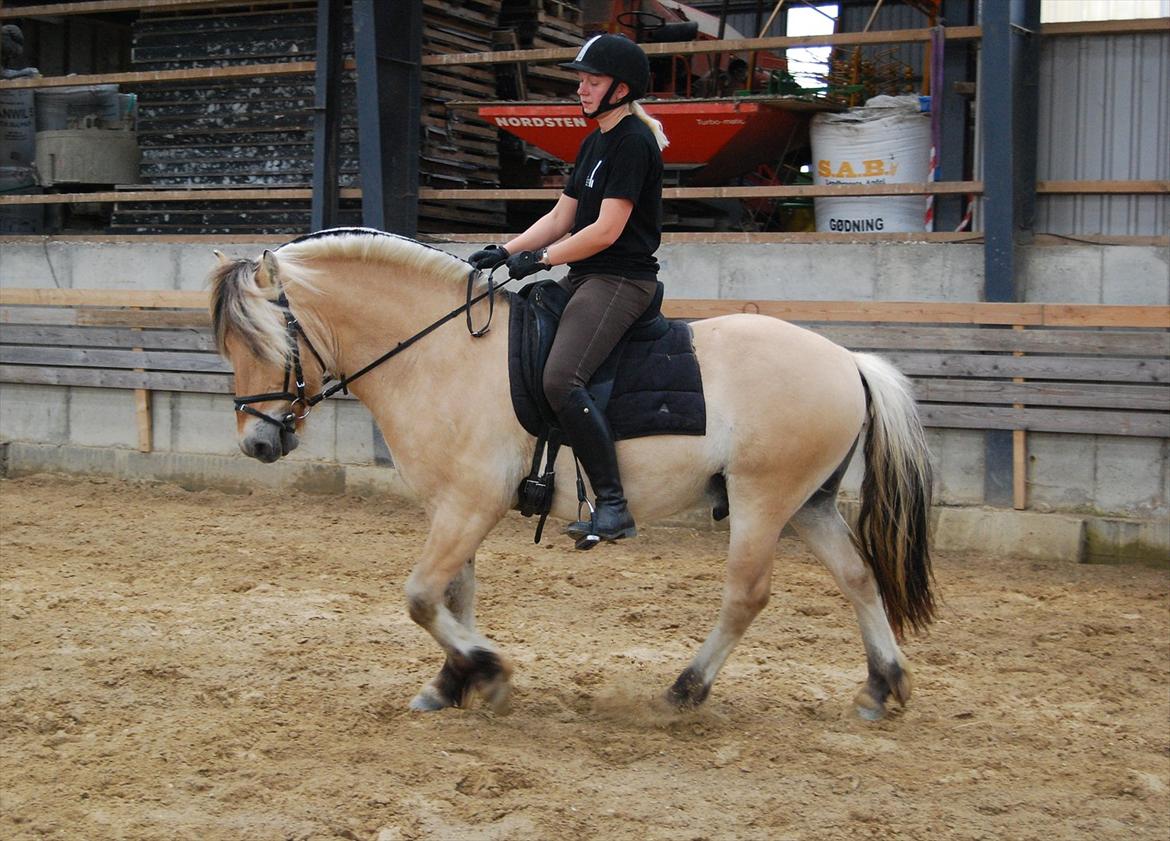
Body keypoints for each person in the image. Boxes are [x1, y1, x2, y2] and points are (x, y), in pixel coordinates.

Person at [468, 33, 668, 548]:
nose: (581, 88)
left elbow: (606, 230)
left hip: (620, 279)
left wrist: (542, 260)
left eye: (592, 80)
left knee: (561, 377)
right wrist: (507, 251)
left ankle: (614, 505)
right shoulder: (595, 141)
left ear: (620, 89)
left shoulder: (633, 143)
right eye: (580, 79)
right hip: (585, 275)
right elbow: (563, 215)